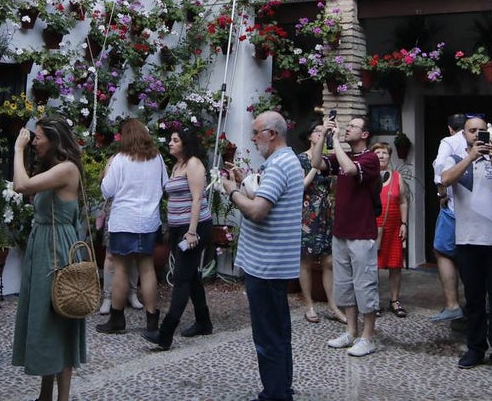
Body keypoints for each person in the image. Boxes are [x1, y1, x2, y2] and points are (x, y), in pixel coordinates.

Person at [220, 111, 303, 401]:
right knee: (278, 333)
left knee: (268, 337)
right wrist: (246, 182)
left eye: (257, 133)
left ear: (272, 133)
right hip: (271, 263)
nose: (253, 138)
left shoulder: (279, 165)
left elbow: (257, 211)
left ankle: (275, 395)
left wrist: (231, 191)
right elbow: (265, 198)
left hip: (266, 265)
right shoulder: (283, 162)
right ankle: (281, 390)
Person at [11, 115, 87, 401]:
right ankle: (44, 395)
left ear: (54, 139)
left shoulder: (67, 169)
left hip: (58, 250)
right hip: (43, 246)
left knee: (60, 318)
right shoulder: (55, 169)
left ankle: (62, 397)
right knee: (45, 319)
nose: (34, 142)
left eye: (38, 137)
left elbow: (21, 185)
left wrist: (17, 149)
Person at [440, 116, 492, 383]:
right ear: (464, 135)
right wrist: (470, 158)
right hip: (468, 240)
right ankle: (475, 349)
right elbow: (445, 179)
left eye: (481, 131)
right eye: (472, 131)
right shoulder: (456, 161)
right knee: (473, 300)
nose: (477, 135)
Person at [312, 113, 381, 357]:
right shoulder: (342, 155)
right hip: (340, 232)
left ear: (364, 134)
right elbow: (316, 163)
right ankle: (351, 332)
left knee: (365, 286)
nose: (348, 128)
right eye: (347, 125)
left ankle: (368, 337)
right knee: (344, 286)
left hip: (361, 233)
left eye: (353, 126)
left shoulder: (371, 158)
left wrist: (338, 142)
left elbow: (351, 170)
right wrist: (324, 136)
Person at [144, 128, 213, 349]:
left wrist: (191, 232)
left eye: (175, 140)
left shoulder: (193, 164)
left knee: (181, 279)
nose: (170, 143)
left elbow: (196, 199)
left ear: (186, 143)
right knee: (191, 277)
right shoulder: (177, 165)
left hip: (194, 228)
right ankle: (204, 322)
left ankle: (165, 334)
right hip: (178, 228)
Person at [96, 118, 165, 335]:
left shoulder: (119, 159)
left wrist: (108, 170)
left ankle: (117, 319)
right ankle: (152, 320)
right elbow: (165, 185)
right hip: (149, 221)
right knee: (147, 269)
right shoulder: (157, 158)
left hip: (124, 221)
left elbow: (106, 190)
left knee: (121, 269)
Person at [297, 121, 344, 324]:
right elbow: (301, 186)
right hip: (307, 214)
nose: (320, 135)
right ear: (310, 136)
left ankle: (333, 305)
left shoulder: (328, 160)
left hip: (326, 213)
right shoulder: (300, 159)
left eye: (323, 132)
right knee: (306, 261)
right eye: (317, 131)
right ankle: (309, 305)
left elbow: (332, 188)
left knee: (329, 261)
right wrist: (315, 167)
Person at [430, 114, 467, 322]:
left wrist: (441, 194)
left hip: (454, 208)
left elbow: (439, 166)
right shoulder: (488, 137)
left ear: (451, 129)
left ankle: (453, 304)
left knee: (442, 249)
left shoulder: (450, 142)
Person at [374, 141, 410, 318]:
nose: (381, 155)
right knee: (372, 267)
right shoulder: (368, 176)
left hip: (394, 227)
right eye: (378, 152)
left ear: (389, 156)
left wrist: (404, 224)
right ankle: (374, 301)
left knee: (395, 266)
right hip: (372, 228)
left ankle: (395, 300)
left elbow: (403, 201)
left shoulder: (397, 177)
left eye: (385, 153)